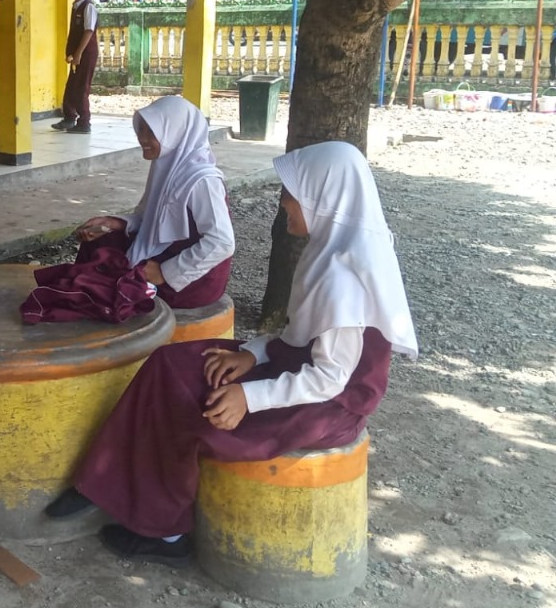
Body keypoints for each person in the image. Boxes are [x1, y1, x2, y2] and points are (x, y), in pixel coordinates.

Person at [44, 141, 418, 566]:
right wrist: (253, 354)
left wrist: (249, 396)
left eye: (291, 194)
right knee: (170, 364)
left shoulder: (346, 275)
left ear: (322, 197)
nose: (284, 204)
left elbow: (330, 378)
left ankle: (168, 534)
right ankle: (101, 483)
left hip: (327, 404)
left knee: (197, 411)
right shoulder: (330, 247)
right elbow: (301, 333)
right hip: (294, 367)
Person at [72, 95, 234, 310]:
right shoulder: (167, 166)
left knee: (111, 279)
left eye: (153, 133)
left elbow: (222, 242)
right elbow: (149, 216)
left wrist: (166, 272)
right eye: (142, 130)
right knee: (98, 243)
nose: (143, 139)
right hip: (166, 250)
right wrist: (116, 223)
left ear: (176, 134)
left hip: (192, 280)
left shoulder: (202, 180)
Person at [53, 0, 100, 134]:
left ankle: (84, 122)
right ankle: (69, 117)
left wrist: (78, 53)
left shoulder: (89, 7)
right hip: (77, 54)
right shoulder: (77, 7)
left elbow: (88, 31)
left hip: (86, 54)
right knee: (71, 85)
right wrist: (71, 53)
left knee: (81, 87)